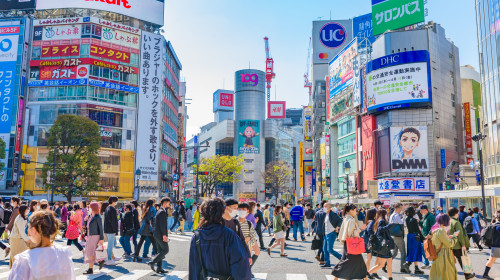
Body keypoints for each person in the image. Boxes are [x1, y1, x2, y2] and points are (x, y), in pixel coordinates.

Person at [188, 198, 251, 280]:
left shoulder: (197, 236)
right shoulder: (229, 235)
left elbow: (194, 268)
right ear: (222, 212)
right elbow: (240, 266)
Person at [9, 210, 75, 280]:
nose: (27, 230)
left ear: (34, 230)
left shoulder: (24, 259)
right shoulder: (64, 254)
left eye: (28, 226)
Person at [332, 203, 368, 280]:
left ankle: (336, 276)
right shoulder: (351, 220)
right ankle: (336, 275)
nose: (356, 211)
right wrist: (361, 228)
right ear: (351, 210)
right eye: (355, 210)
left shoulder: (346, 218)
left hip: (348, 243)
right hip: (353, 244)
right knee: (352, 262)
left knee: (347, 260)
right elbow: (351, 233)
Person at [429, 214, 460, 280]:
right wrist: (455, 236)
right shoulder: (441, 231)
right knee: (447, 274)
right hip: (444, 256)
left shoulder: (436, 231)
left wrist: (448, 237)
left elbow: (440, 241)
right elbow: (449, 244)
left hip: (438, 255)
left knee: (438, 275)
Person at [447, 207, 475, 279]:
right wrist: (463, 245)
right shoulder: (456, 222)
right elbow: (460, 235)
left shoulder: (448, 221)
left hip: (450, 243)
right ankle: (467, 274)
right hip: (457, 245)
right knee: (462, 259)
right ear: (456, 214)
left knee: (451, 260)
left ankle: (466, 274)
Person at [367, 209, 395, 280]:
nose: (387, 215)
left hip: (384, 245)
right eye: (386, 214)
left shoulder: (379, 220)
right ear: (384, 214)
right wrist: (390, 225)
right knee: (381, 264)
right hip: (384, 245)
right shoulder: (381, 221)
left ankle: (390, 277)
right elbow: (380, 230)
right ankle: (366, 275)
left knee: (389, 261)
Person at [222, 198, 251, 263]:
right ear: (227, 208)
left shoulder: (235, 222)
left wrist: (248, 255)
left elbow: (242, 240)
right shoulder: (219, 222)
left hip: (234, 257)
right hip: (222, 257)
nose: (236, 210)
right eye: (234, 208)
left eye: (237, 208)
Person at [148, 197, 171, 274]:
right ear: (164, 203)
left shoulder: (160, 211)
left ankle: (159, 268)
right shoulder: (162, 212)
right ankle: (152, 262)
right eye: (168, 203)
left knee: (160, 251)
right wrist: (164, 235)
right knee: (165, 250)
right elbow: (162, 225)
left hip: (157, 234)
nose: (169, 205)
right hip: (160, 234)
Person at [83, 202, 105, 275]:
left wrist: (101, 239)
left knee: (90, 252)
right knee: (91, 252)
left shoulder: (97, 217)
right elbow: (88, 227)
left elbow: (101, 229)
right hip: (90, 236)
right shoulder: (90, 216)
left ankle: (91, 268)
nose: (89, 208)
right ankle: (99, 261)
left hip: (95, 236)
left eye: (90, 207)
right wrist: (86, 221)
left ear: (93, 208)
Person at [403, 206, 425, 274]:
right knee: (416, 251)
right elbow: (418, 230)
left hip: (409, 236)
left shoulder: (406, 219)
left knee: (411, 251)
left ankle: (416, 268)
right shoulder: (414, 220)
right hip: (415, 236)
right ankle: (408, 265)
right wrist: (423, 238)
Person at [238, 203, 260, 268]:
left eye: (243, 209)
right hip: (238, 246)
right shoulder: (234, 222)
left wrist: (248, 243)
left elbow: (252, 235)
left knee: (248, 258)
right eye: (240, 209)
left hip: (248, 244)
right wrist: (245, 240)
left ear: (247, 210)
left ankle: (248, 269)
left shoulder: (248, 223)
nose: (241, 211)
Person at [322, 202, 343, 268]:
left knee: (330, 249)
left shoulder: (333, 214)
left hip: (331, 233)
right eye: (324, 206)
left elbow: (340, 220)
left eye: (326, 207)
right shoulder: (326, 214)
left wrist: (337, 227)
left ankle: (342, 258)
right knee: (325, 249)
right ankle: (327, 263)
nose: (324, 208)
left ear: (330, 208)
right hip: (326, 233)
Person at [389, 203, 407, 273]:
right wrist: (404, 218)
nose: (402, 209)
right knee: (403, 252)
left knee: (395, 253)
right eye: (401, 208)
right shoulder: (396, 215)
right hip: (398, 236)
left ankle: (385, 263)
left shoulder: (392, 215)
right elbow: (402, 224)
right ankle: (403, 268)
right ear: (398, 208)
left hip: (392, 235)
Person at [482, 211, 500, 280]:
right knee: (491, 260)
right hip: (498, 246)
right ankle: (485, 274)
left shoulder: (494, 225)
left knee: (491, 260)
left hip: (494, 246)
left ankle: (485, 274)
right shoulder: (498, 226)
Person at [103, 196, 120, 265]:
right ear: (113, 201)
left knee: (110, 244)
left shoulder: (107, 208)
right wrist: (116, 230)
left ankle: (108, 258)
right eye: (116, 201)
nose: (116, 203)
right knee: (110, 245)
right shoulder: (112, 209)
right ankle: (109, 259)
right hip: (111, 229)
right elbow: (114, 221)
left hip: (107, 229)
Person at [313, 200, 328, 265]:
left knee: (322, 244)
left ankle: (319, 255)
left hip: (319, 230)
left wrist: (315, 231)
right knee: (324, 245)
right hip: (325, 230)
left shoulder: (318, 212)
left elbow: (315, 222)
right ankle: (321, 258)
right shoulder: (326, 213)